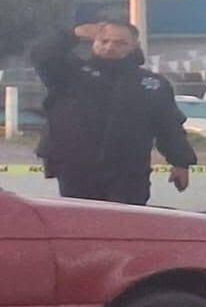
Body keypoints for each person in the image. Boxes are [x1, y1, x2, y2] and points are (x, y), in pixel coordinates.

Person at [31, 20, 197, 205]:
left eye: (120, 43)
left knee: (126, 225)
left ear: (135, 46)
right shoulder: (69, 73)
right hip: (76, 168)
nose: (110, 47)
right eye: (104, 41)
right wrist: (72, 34)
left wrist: (181, 162)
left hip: (128, 171)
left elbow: (169, 127)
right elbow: (41, 55)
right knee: (82, 225)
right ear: (94, 42)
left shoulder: (153, 84)